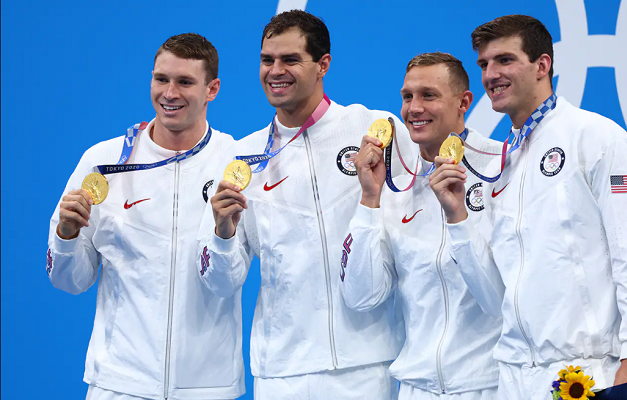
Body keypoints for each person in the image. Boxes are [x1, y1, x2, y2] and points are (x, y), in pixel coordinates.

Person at [430, 15, 627, 400]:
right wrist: (458, 219)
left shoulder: (596, 138)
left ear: (542, 65)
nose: (490, 74)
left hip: (587, 374)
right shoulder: (500, 166)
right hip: (515, 378)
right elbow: (494, 298)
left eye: (504, 60)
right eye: (484, 64)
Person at [196, 10, 417, 400]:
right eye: (267, 60)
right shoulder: (241, 157)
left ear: (323, 65)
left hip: (367, 363)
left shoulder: (375, 129)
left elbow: (419, 225)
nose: (275, 70)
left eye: (290, 60)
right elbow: (219, 282)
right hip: (283, 372)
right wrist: (223, 233)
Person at [47, 33, 244, 400]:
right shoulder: (102, 163)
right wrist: (66, 235)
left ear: (212, 89)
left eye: (184, 82)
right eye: (161, 79)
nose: (169, 93)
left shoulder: (235, 162)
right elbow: (69, 281)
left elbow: (227, 283)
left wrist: (223, 234)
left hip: (207, 387)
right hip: (120, 384)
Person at [341, 52, 503, 400]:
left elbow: (499, 301)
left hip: (490, 386)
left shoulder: (502, 170)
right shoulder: (396, 188)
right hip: (417, 388)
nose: (414, 108)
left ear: (464, 102)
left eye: (428, 95)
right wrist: (370, 198)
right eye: (407, 96)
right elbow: (361, 296)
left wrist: (458, 217)